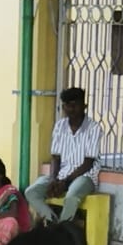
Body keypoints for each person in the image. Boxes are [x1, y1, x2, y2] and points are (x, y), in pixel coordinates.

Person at [25, 89, 102, 227]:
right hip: (61, 175)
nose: (71, 109)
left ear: (84, 105)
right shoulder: (60, 126)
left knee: (71, 198)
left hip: (85, 176)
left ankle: (60, 230)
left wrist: (65, 182)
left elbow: (88, 163)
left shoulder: (94, 128)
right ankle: (53, 223)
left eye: (75, 104)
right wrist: (53, 179)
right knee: (31, 192)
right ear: (63, 107)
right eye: (68, 105)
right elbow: (55, 157)